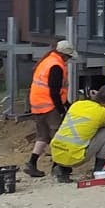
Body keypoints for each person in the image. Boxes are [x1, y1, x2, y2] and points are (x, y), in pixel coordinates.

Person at [49, 85, 105, 183]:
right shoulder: (103, 113)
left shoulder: (77, 104)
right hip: (75, 157)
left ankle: (62, 169)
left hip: (56, 153)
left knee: (76, 131)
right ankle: (99, 170)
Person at [24, 40, 75, 178]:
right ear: (64, 55)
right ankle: (59, 167)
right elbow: (54, 91)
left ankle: (32, 163)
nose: (69, 60)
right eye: (69, 57)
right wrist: (61, 109)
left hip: (37, 104)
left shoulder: (47, 61)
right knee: (58, 137)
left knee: (43, 136)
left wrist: (67, 104)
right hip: (49, 105)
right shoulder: (56, 66)